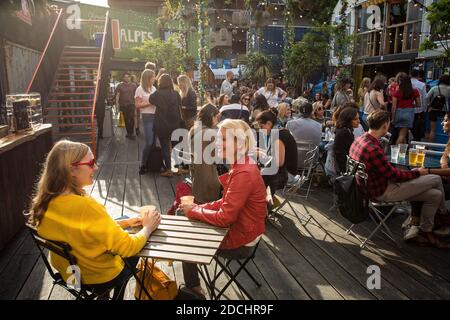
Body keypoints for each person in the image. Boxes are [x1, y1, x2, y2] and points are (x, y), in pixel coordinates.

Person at [30, 140, 161, 299]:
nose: (96, 167)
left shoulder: (45, 201)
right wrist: (148, 227)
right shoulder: (86, 207)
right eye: (91, 163)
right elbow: (129, 247)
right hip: (96, 277)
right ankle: (114, 296)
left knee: (125, 218)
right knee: (138, 247)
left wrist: (126, 223)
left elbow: (78, 230)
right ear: (72, 169)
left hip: (70, 273)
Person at [179, 119, 267, 297]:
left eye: (224, 139)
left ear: (240, 142)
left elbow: (225, 217)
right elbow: (226, 202)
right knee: (186, 217)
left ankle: (194, 291)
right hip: (247, 231)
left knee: (185, 242)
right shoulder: (242, 164)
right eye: (219, 138)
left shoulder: (244, 172)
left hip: (241, 241)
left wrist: (195, 211)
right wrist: (198, 207)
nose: (218, 143)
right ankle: (194, 287)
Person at [349, 110, 449, 248]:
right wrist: (418, 173)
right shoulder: (373, 149)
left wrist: (413, 173)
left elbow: (388, 172)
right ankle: (444, 217)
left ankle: (426, 231)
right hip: (381, 192)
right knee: (436, 179)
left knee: (435, 195)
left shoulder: (359, 140)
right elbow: (395, 176)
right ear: (385, 125)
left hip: (366, 189)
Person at [256, 110, 298, 196]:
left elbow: (279, 162)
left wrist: (260, 154)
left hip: (286, 175)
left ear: (268, 123)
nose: (260, 130)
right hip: (284, 171)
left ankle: (261, 201)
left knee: (254, 177)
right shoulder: (280, 131)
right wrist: (259, 151)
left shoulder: (278, 136)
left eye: (261, 126)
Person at [149, 74, 183, 177]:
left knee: (164, 146)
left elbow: (150, 99)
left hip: (162, 124)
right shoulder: (176, 94)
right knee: (176, 146)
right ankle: (179, 168)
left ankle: (168, 170)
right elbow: (180, 105)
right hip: (175, 123)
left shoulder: (157, 94)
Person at [189, 104, 222, 204]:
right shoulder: (210, 133)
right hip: (209, 177)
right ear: (212, 116)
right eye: (217, 117)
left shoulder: (194, 129)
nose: (218, 120)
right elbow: (218, 157)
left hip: (197, 175)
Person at [134, 69, 157, 175]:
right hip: (147, 117)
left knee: (153, 143)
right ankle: (143, 165)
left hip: (157, 116)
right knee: (149, 142)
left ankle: (151, 164)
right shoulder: (140, 89)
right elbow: (137, 105)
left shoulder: (154, 88)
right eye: (153, 76)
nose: (154, 78)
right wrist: (150, 103)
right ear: (147, 78)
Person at [392, 72, 420, 145]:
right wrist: (411, 105)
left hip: (398, 113)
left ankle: (402, 153)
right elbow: (419, 104)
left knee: (402, 135)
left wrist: (392, 118)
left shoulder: (396, 92)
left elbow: (394, 107)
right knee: (402, 135)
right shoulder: (414, 91)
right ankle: (396, 152)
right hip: (408, 114)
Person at [333, 107, 360, 174]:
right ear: (348, 120)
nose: (358, 121)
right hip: (346, 169)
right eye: (355, 119)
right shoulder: (344, 132)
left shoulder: (347, 130)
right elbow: (340, 155)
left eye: (358, 118)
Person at [426, 74, 450, 142]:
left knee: (433, 130)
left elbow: (427, 97)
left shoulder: (434, 88)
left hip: (433, 110)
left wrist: (429, 105)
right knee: (445, 130)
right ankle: (443, 146)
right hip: (445, 111)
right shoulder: (449, 89)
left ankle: (431, 147)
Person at [114, 72, 137, 138]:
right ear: (123, 78)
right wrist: (117, 105)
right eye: (125, 77)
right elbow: (117, 96)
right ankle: (128, 133)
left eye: (128, 77)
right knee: (126, 119)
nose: (127, 78)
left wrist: (136, 105)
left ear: (130, 78)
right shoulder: (120, 85)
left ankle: (131, 133)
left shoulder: (134, 85)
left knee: (132, 118)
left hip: (131, 104)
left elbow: (136, 96)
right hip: (123, 105)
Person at [410, 69, 427, 141]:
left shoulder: (406, 83)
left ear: (410, 75)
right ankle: (416, 140)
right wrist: (424, 108)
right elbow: (424, 97)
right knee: (418, 127)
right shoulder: (422, 84)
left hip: (408, 108)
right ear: (418, 75)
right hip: (419, 110)